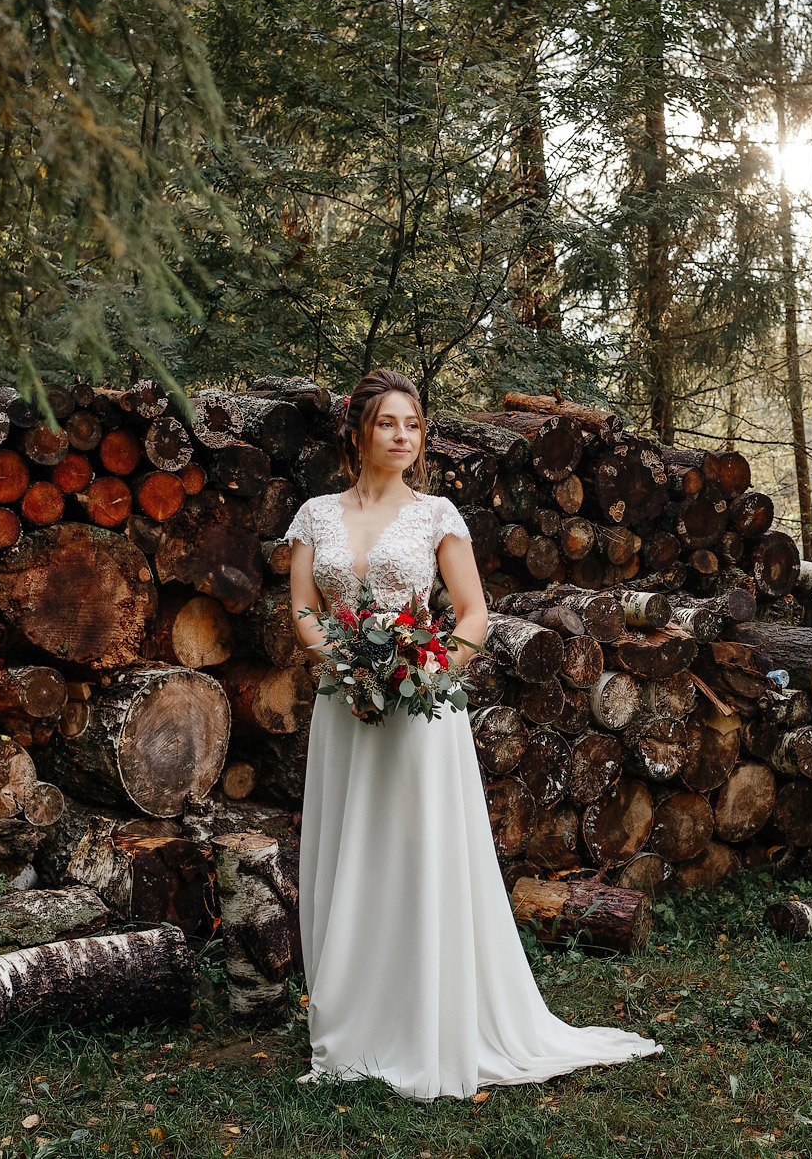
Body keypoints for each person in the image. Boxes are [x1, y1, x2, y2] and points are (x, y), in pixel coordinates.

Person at [284, 368, 663, 1100]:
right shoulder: (314, 514)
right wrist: (339, 662)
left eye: (414, 425)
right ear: (358, 431)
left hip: (421, 706)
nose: (403, 436)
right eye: (390, 423)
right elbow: (302, 605)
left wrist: (423, 671)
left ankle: (427, 1016)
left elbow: (472, 614)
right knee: (349, 847)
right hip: (345, 705)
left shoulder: (436, 516)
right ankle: (355, 1020)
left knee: (416, 851)